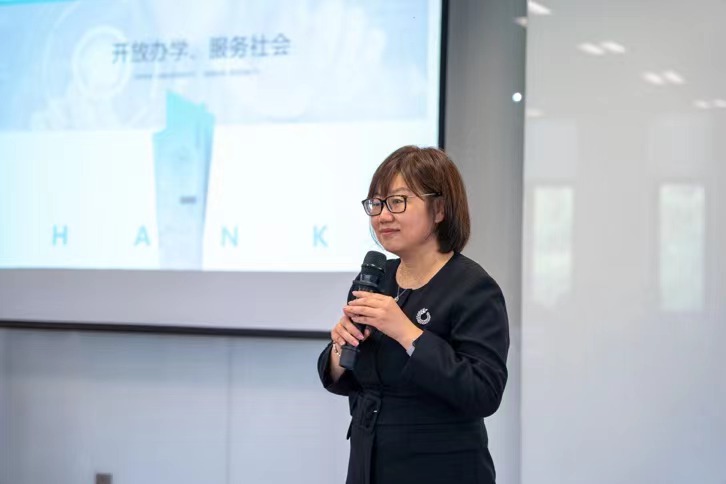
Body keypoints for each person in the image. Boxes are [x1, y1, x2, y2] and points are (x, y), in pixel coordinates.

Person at [317, 145, 510, 484]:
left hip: (441, 469)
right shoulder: (375, 279)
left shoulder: (473, 287)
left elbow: (484, 392)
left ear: (439, 209)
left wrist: (408, 334)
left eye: (397, 201)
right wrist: (338, 349)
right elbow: (356, 379)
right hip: (368, 465)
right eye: (376, 203)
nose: (382, 215)